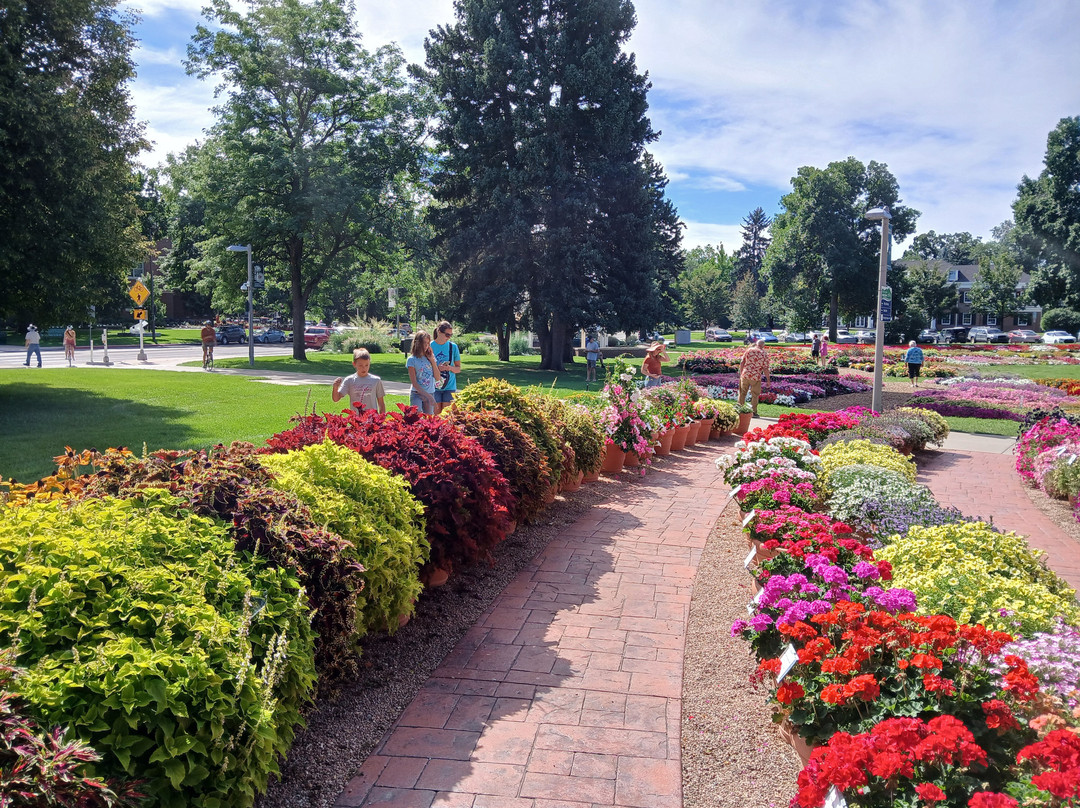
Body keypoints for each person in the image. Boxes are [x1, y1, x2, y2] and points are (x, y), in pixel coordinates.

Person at [333, 348, 386, 415]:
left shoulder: (376, 380)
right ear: (354, 364)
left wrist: (381, 419)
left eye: (366, 365)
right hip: (356, 419)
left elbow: (381, 403)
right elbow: (336, 399)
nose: (364, 368)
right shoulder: (349, 380)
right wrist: (335, 388)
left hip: (372, 419)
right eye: (360, 365)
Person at [431, 321, 461, 415]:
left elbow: (458, 369)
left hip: (449, 386)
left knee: (446, 416)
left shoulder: (453, 347)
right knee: (435, 416)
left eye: (450, 335)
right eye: (447, 335)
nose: (448, 338)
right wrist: (437, 368)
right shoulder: (430, 346)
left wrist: (449, 368)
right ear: (439, 332)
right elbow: (424, 367)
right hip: (433, 386)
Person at [406, 330, 440, 415]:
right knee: (415, 418)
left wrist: (432, 361)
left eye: (428, 343)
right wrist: (429, 397)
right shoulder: (412, 360)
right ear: (417, 343)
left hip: (430, 392)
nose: (426, 346)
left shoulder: (430, 357)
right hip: (417, 393)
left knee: (429, 421)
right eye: (424, 343)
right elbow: (414, 383)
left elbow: (437, 377)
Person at [738, 338, 771, 416]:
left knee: (742, 393)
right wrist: (768, 380)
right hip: (756, 376)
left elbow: (742, 362)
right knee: (755, 395)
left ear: (756, 344)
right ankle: (753, 412)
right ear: (763, 346)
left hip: (745, 374)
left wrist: (741, 373)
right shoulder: (764, 354)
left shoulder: (749, 350)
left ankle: (739, 410)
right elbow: (765, 368)